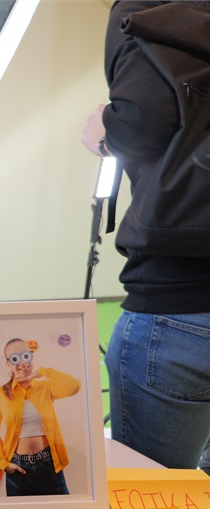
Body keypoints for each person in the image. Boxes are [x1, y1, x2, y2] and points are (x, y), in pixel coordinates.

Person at [79, 1, 210, 470]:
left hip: (179, 303)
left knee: (153, 502)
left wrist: (105, 131)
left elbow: (143, 121)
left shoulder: (144, 9)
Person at [0, 339, 81, 497]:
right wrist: (3, 463)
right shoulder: (0, 394)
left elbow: (74, 386)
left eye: (26, 356)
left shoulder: (45, 387)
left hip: (48, 463)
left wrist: (42, 372)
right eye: (15, 359)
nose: (22, 364)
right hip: (17, 468)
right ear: (8, 364)